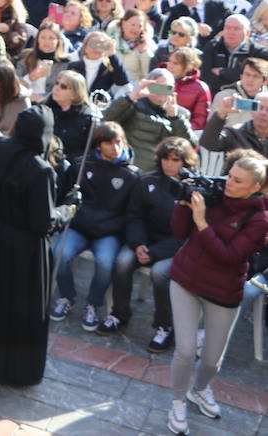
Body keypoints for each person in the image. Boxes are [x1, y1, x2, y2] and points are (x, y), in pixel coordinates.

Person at [0, 105, 76, 385]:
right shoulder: (41, 172)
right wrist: (70, 208)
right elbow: (44, 223)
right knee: (20, 311)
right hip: (27, 250)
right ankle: (14, 370)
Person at [164, 156, 268, 435]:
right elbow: (177, 231)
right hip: (186, 279)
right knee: (185, 351)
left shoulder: (260, 219)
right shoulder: (213, 193)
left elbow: (229, 256)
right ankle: (177, 402)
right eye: (229, 175)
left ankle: (199, 390)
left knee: (211, 360)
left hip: (224, 289)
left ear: (255, 187)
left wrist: (201, 221)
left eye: (237, 181)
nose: (228, 184)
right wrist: (184, 206)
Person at [107, 137, 196, 349]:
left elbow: (189, 234)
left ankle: (164, 326)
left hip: (175, 247)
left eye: (175, 160)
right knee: (122, 262)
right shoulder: (146, 181)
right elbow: (134, 216)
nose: (169, 164)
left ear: (185, 162)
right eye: (165, 158)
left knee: (159, 273)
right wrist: (138, 244)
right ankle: (119, 314)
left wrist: (154, 252)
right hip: (144, 240)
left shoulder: (193, 189)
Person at [51, 122, 139, 333]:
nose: (115, 147)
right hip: (80, 227)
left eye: (118, 142)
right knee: (59, 254)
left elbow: (131, 213)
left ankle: (93, 303)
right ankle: (67, 296)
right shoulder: (82, 165)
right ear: (98, 145)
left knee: (106, 263)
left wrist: (111, 227)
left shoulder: (132, 175)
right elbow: (67, 198)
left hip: (108, 234)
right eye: (109, 143)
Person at [103, 69, 193, 171]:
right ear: (149, 85)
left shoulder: (181, 114)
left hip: (164, 172)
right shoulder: (134, 105)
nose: (162, 92)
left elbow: (189, 147)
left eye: (167, 87)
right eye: (158, 87)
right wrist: (131, 97)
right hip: (133, 168)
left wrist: (176, 118)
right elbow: (106, 119)